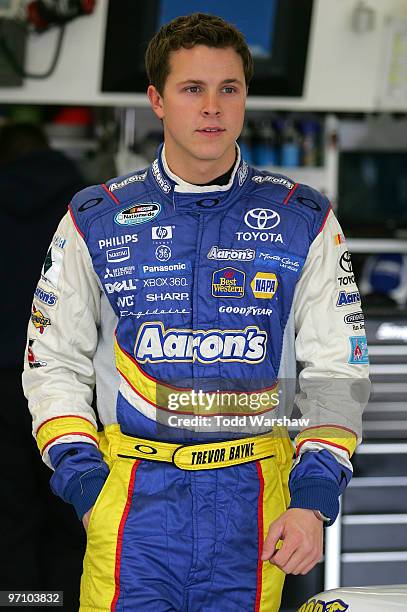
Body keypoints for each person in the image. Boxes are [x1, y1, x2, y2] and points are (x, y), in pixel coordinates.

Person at [23, 13, 370, 612]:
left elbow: (337, 370)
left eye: (228, 89)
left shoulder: (303, 218)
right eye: (192, 89)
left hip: (255, 503)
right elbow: (51, 360)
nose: (212, 107)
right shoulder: (96, 218)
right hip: (133, 500)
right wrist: (85, 485)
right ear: (157, 99)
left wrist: (312, 501)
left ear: (244, 97)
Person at [0, 122, 86, 607]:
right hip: (64, 381)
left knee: (10, 514)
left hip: (0, 383)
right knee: (67, 502)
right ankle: (65, 602)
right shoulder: (86, 207)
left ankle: (22, 604)